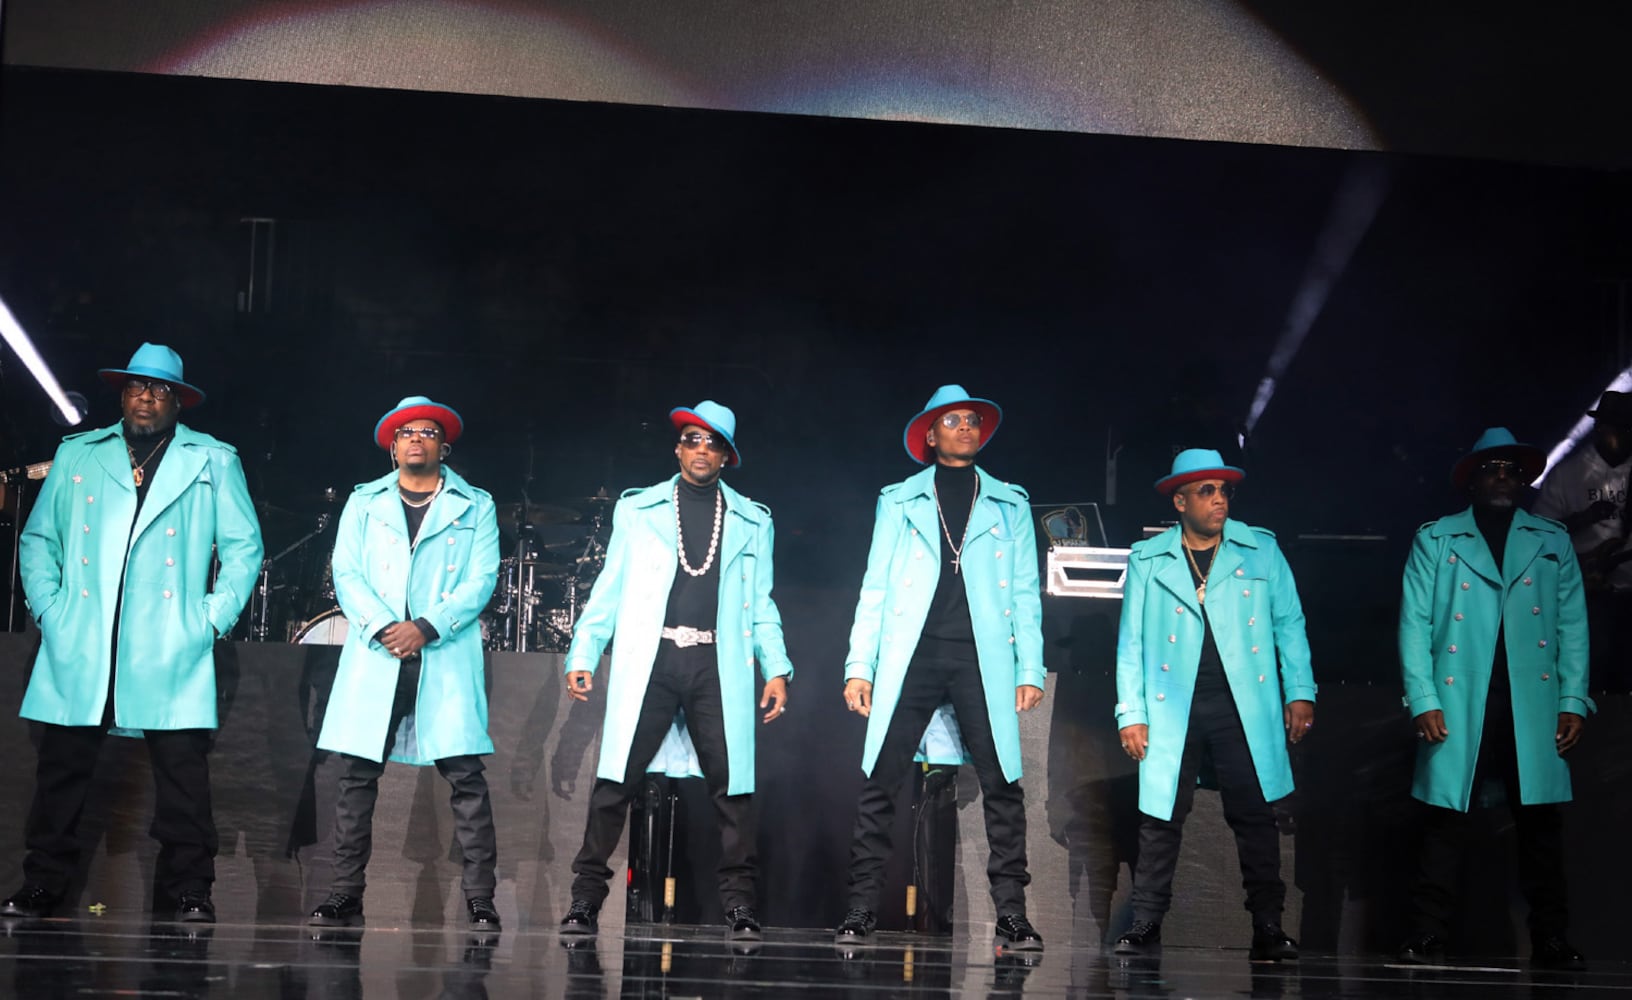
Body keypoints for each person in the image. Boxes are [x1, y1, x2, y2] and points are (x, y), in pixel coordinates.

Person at [2, 343, 263, 922]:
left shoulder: (212, 458)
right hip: (85, 632)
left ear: (178, 400)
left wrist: (209, 619)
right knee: (62, 771)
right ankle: (42, 882)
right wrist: (50, 609)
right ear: (123, 395)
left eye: (160, 389)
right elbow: (39, 538)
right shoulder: (79, 453)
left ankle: (191, 889)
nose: (147, 397)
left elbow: (244, 548)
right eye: (137, 387)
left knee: (183, 774)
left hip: (169, 637)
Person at [558, 400, 791, 943]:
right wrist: (583, 652)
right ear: (678, 448)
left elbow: (762, 603)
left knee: (733, 789)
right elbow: (609, 587)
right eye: (692, 439)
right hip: (654, 660)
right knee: (615, 783)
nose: (701, 449)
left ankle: (740, 907)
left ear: (727, 456)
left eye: (713, 442)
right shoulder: (639, 510)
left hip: (717, 664)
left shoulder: (753, 520)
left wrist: (777, 667)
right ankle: (584, 902)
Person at [836, 384, 1046, 952]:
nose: (965, 427)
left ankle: (1012, 914)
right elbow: (876, 586)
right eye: (952, 421)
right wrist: (860, 665)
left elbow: (1025, 592)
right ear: (930, 436)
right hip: (913, 653)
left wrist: (1030, 667)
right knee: (882, 778)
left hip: (982, 657)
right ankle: (860, 908)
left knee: (1002, 783)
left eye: (972, 420)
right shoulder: (899, 500)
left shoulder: (1009, 503)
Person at [1396, 427, 1591, 969]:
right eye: (1492, 468)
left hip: (1532, 700)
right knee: (1445, 820)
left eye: (1511, 469)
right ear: (1472, 480)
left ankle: (1551, 937)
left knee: (1540, 826)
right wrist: (1423, 698)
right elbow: (1414, 623)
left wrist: (1574, 700)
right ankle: (1427, 932)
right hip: (1460, 697)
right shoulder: (1437, 539)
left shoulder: (1551, 539)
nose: (1503, 477)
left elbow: (1573, 625)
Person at [306, 396, 502, 932]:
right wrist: (383, 626)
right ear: (393, 448)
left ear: (444, 447)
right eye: (406, 432)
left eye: (427, 432)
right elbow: (346, 571)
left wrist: (427, 626)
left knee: (466, 777)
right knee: (357, 776)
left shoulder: (475, 505)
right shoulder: (363, 501)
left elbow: (482, 579)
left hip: (443, 650)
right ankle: (344, 894)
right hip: (379, 651)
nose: (417, 439)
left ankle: (481, 899)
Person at [1113, 448, 1313, 962]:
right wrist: (1131, 712)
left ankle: (1268, 924)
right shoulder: (1149, 558)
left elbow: (1289, 624)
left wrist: (1300, 691)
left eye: (1224, 490)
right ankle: (1145, 922)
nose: (1219, 499)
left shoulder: (1260, 550)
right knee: (1161, 817)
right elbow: (1130, 642)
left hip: (1243, 705)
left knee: (1255, 816)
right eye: (1207, 491)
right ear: (1180, 501)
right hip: (1171, 705)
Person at [1533, 390, 1632, 690]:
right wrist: (1582, 519)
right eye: (1621, 429)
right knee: (1593, 672)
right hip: (1585, 596)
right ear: (1600, 428)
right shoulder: (1567, 474)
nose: (1627, 435)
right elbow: (1537, 539)